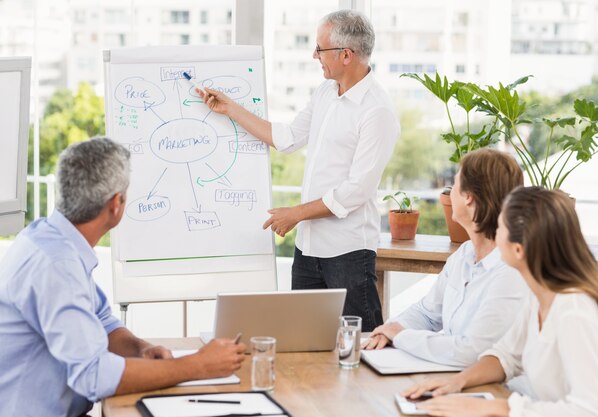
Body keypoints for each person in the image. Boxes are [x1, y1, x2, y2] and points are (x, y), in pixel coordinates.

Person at [0, 137, 246, 417]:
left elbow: (102, 321)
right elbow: (93, 377)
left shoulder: (51, 238)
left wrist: (141, 349)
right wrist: (198, 366)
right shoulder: (57, 265)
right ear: (116, 204)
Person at [197, 10, 400, 331]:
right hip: (308, 250)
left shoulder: (377, 111)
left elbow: (356, 191)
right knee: (306, 344)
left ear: (346, 55)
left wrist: (296, 214)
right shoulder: (325, 93)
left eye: (320, 49)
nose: (314, 55)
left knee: (363, 346)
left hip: (348, 252)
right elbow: (287, 138)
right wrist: (230, 109)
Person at [403, 186, 598, 417]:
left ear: (518, 249)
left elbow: (593, 411)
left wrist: (498, 408)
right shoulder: (540, 296)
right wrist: (456, 383)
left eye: (500, 227)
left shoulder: (574, 310)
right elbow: (506, 357)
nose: (493, 233)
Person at [364, 148, 527, 367]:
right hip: (453, 376)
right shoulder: (464, 255)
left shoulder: (511, 270)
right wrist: (390, 330)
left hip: (498, 391)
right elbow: (427, 313)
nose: (447, 192)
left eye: (454, 185)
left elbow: (470, 352)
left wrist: (401, 336)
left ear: (468, 198)